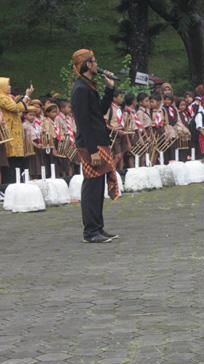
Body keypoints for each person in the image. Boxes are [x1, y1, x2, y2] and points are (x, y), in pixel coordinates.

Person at [70, 49, 119, 243]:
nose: (97, 64)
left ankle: (98, 227)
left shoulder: (89, 86)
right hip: (90, 145)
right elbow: (83, 122)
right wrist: (92, 150)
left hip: (99, 142)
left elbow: (99, 112)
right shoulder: (80, 88)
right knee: (92, 186)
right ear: (88, 65)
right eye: (94, 61)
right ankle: (90, 231)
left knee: (98, 187)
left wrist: (109, 89)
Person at [0, 77, 34, 183]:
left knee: (16, 161)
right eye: (7, 85)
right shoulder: (1, 97)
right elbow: (16, 108)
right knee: (10, 161)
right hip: (8, 133)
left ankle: (16, 182)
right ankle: (8, 185)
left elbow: (20, 107)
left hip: (16, 134)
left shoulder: (9, 97)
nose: (9, 87)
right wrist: (27, 96)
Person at [105, 89, 129, 170]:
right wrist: (116, 130)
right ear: (114, 98)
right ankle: (111, 171)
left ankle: (121, 172)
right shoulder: (109, 108)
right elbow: (105, 124)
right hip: (114, 133)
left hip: (121, 132)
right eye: (120, 97)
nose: (122, 99)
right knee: (118, 155)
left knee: (122, 154)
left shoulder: (119, 109)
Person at [136, 93, 152, 166]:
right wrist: (145, 136)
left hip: (149, 131)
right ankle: (142, 167)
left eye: (148, 101)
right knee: (143, 153)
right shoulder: (140, 112)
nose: (148, 102)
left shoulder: (146, 110)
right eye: (146, 101)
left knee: (149, 151)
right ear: (140, 102)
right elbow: (141, 125)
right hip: (144, 132)